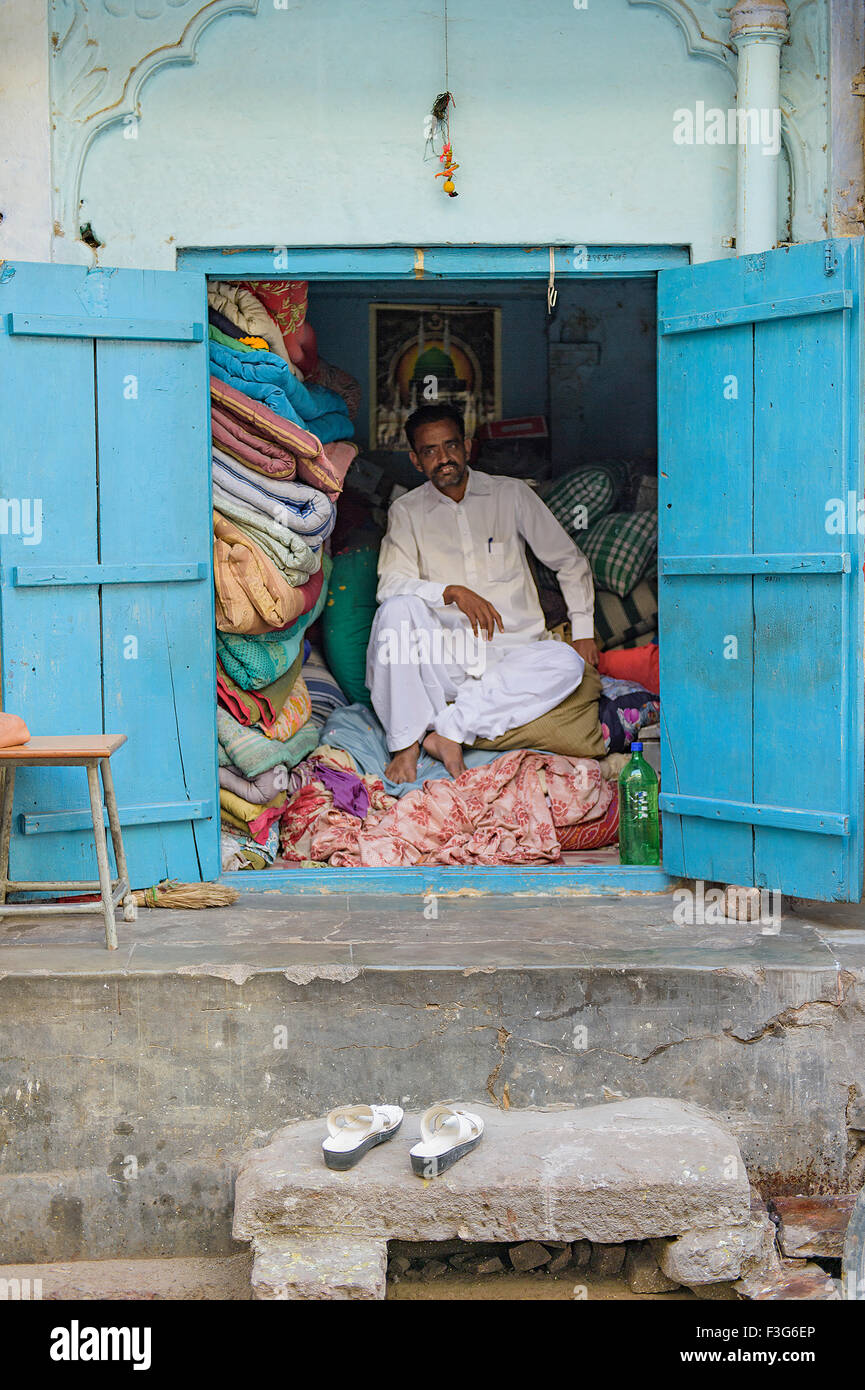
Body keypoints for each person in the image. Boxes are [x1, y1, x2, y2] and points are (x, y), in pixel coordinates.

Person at [366, 402, 597, 783]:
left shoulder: (512, 495)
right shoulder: (406, 510)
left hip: (513, 657)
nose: (444, 459)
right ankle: (406, 744)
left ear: (468, 447)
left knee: (566, 663)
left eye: (451, 446)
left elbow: (568, 560)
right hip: (447, 663)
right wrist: (451, 592)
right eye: (430, 451)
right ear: (415, 460)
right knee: (395, 610)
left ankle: (448, 730)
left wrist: (584, 631)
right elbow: (390, 583)